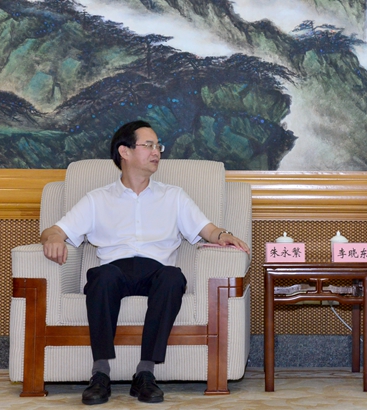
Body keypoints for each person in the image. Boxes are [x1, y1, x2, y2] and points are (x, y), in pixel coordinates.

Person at [41, 120, 250, 405]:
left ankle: (145, 373)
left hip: (156, 271)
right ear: (124, 152)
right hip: (114, 271)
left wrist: (224, 236)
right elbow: (54, 231)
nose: (156, 152)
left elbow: (208, 230)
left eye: (158, 146)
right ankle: (100, 373)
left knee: (173, 277)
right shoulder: (97, 199)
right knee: (101, 277)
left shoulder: (173, 196)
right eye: (148, 145)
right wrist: (53, 238)